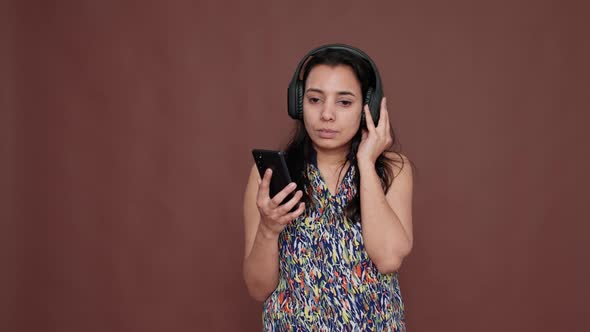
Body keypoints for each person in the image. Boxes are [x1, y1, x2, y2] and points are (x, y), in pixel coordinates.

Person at [243, 44, 414, 331]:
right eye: (314, 100)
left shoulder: (393, 169)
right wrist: (268, 229)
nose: (326, 115)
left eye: (344, 102)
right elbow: (258, 288)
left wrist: (366, 164)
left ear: (366, 107)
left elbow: (388, 258)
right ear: (298, 103)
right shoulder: (271, 174)